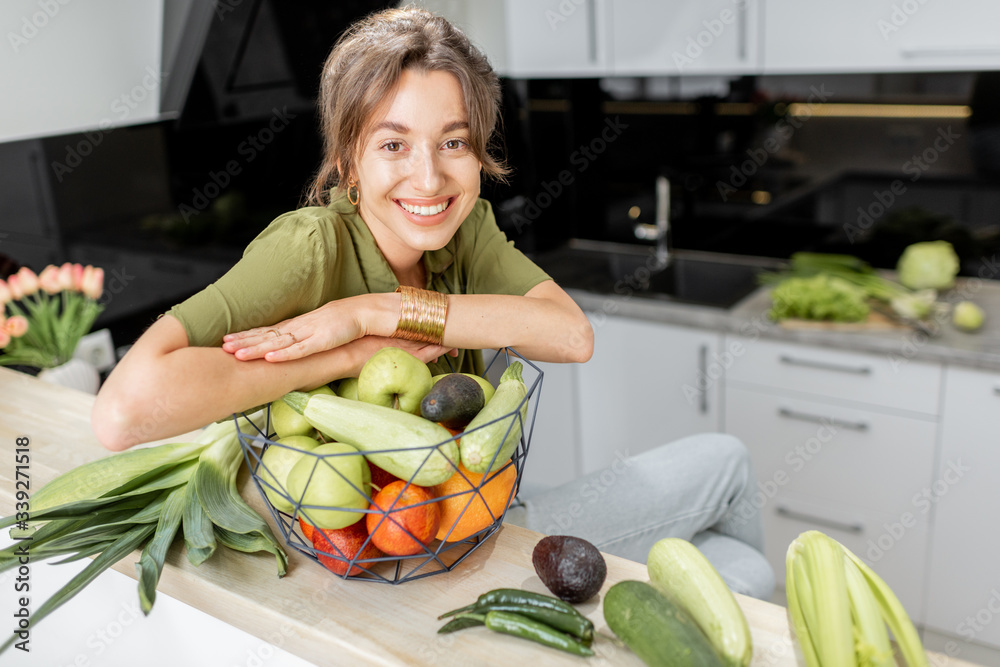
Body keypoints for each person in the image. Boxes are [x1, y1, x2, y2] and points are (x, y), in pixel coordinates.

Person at [91, 6, 773, 600]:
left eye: (453, 142)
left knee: (738, 565)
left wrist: (380, 313)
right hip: (410, 558)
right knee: (732, 468)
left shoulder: (463, 232)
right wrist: (348, 353)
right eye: (393, 144)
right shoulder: (310, 246)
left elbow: (570, 335)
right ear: (349, 161)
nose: (430, 176)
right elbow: (122, 412)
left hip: (469, 524)